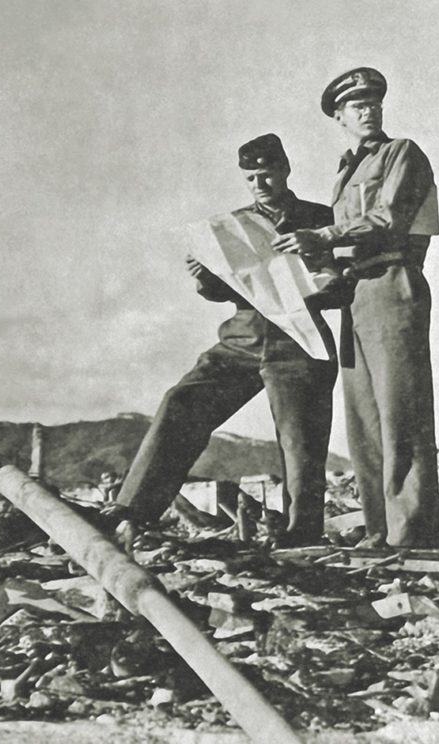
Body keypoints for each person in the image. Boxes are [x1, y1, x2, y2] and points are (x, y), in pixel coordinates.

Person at [114, 133, 337, 547]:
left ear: (284, 170)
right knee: (183, 401)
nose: (259, 185)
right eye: (251, 178)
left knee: (300, 440)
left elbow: (343, 284)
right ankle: (131, 511)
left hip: (301, 339)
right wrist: (204, 281)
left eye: (266, 175)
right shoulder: (231, 226)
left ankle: (301, 536)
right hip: (244, 334)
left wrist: (319, 260)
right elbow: (228, 290)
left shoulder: (322, 219)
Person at [272, 68, 439, 548]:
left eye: (374, 103)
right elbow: (343, 243)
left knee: (400, 411)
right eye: (357, 106)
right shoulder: (345, 173)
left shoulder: (400, 153)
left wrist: (323, 234)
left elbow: (389, 216)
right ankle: (378, 528)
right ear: (339, 117)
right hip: (355, 293)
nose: (369, 111)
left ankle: (412, 532)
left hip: (392, 282)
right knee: (364, 419)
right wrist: (313, 259)